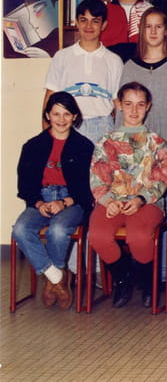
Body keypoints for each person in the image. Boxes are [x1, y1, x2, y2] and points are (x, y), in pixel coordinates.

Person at [88, 82, 167, 308]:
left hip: (147, 202)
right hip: (112, 201)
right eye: (128, 104)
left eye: (140, 105)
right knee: (97, 235)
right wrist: (108, 201)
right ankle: (123, 276)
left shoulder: (157, 142)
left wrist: (140, 199)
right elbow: (97, 177)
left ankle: (147, 281)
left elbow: (161, 178)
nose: (134, 111)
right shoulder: (105, 141)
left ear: (148, 106)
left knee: (139, 237)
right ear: (119, 105)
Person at [12, 92, 94, 310]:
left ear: (74, 116)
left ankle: (51, 281)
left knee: (57, 230)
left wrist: (64, 202)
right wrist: (39, 203)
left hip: (72, 201)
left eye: (67, 114)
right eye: (56, 114)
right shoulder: (33, 145)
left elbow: (88, 188)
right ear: (48, 115)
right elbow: (25, 185)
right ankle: (57, 276)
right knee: (20, 229)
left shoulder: (84, 146)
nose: (61, 119)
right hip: (41, 199)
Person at [43, 0, 123, 144]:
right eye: (84, 20)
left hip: (103, 127)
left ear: (104, 25)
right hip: (69, 125)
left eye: (95, 21)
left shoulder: (114, 60)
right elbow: (50, 98)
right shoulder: (62, 56)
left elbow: (118, 103)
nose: (88, 26)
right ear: (77, 22)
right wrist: (46, 138)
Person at [118, 8, 167, 156]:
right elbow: (122, 111)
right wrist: (120, 144)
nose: (153, 32)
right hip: (136, 147)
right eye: (148, 26)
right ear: (142, 30)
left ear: (166, 30)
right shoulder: (130, 67)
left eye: (158, 26)